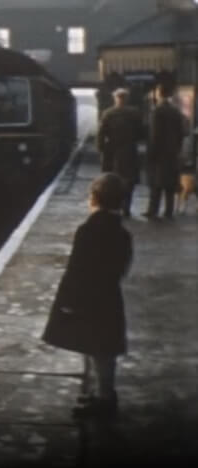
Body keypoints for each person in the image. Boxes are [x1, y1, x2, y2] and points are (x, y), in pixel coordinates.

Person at [42, 173, 133, 418]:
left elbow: (76, 269)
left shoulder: (87, 230)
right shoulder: (122, 233)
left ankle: (104, 399)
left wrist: (68, 301)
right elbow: (122, 267)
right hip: (109, 297)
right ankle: (101, 394)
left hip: (88, 299)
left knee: (96, 349)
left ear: (94, 199)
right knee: (103, 349)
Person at [97, 88, 143, 217]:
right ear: (127, 99)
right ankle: (126, 208)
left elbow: (101, 134)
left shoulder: (108, 113)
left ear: (115, 98)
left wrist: (101, 149)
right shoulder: (135, 113)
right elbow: (141, 132)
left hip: (112, 151)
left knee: (112, 180)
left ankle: (114, 206)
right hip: (129, 150)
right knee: (129, 181)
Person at [143, 82, 187, 219]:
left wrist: (150, 153)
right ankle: (169, 211)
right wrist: (177, 148)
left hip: (159, 153)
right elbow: (181, 133)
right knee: (170, 183)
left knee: (156, 183)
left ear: (158, 93)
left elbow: (154, 134)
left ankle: (153, 210)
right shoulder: (176, 111)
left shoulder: (157, 111)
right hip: (172, 152)